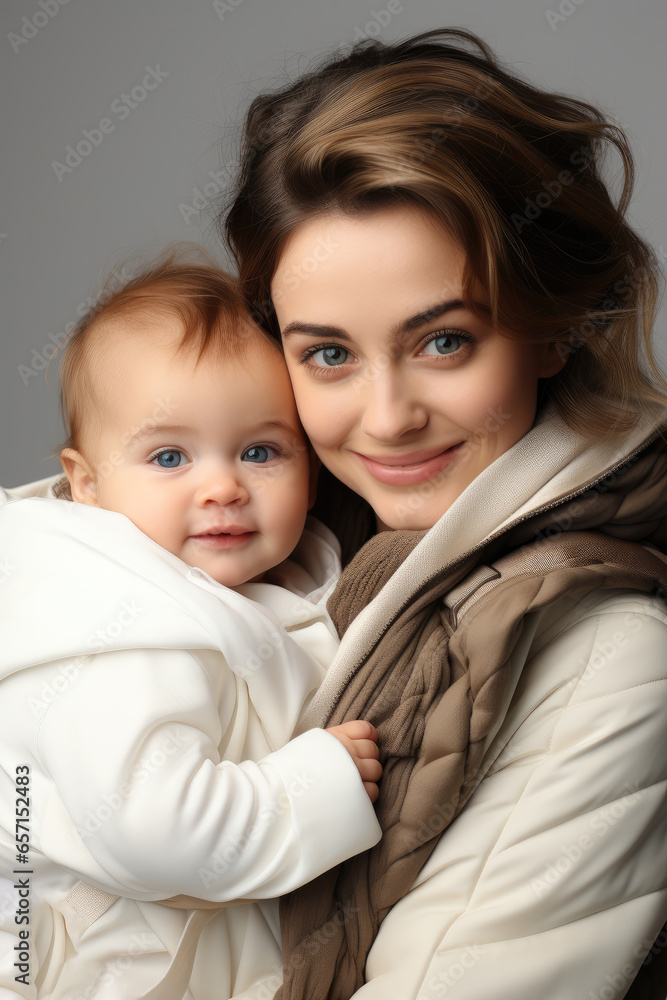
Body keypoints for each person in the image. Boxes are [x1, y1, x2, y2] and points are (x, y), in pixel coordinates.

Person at [221, 28, 667, 1000]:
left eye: (444, 341)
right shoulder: (292, 575)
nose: (385, 417)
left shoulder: (611, 652)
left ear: (552, 327)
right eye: (327, 354)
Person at [0, 249, 383, 1000]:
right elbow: (155, 831)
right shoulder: (116, 623)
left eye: (260, 451)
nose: (221, 487)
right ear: (86, 484)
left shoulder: (267, 580)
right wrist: (318, 783)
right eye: (170, 455)